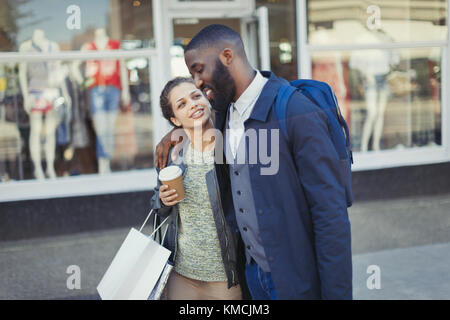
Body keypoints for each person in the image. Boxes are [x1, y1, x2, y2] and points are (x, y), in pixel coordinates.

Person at [154, 24, 352, 300]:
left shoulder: (294, 110)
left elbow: (331, 216)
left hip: (293, 281)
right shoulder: (224, 114)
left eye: (199, 69)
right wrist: (174, 133)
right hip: (250, 277)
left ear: (227, 56)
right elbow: (197, 127)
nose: (196, 82)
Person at [150, 77, 243, 300]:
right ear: (175, 119)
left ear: (207, 99)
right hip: (182, 276)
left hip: (226, 278)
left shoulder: (233, 149)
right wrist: (163, 200)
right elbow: (157, 207)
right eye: (181, 104)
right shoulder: (174, 156)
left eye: (196, 96)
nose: (192, 104)